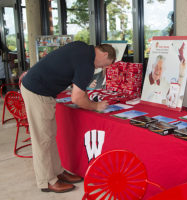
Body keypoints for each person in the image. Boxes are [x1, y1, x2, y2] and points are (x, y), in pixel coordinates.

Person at [21, 41, 116, 193]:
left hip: (40, 89)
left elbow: (80, 87)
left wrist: (88, 101)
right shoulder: (87, 63)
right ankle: (47, 181)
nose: (103, 68)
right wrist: (96, 106)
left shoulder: (82, 48)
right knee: (43, 140)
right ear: (105, 54)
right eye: (106, 64)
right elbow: (77, 98)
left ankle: (58, 172)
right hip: (37, 91)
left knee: (50, 136)